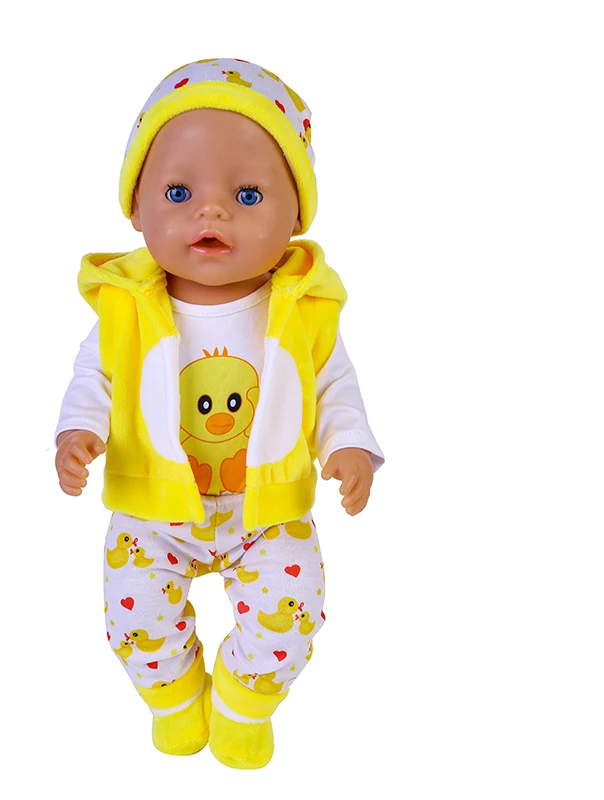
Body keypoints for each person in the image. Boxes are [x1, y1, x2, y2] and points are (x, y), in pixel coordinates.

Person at [54, 58, 384, 769]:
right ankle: (172, 699)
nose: (212, 211)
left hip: (264, 508)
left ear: (296, 217)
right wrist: (78, 430)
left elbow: (334, 384)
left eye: (248, 193)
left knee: (292, 615)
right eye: (178, 192)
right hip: (153, 509)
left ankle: (243, 704)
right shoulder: (126, 306)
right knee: (134, 614)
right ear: (136, 211)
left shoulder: (302, 308)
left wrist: (349, 444)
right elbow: (96, 375)